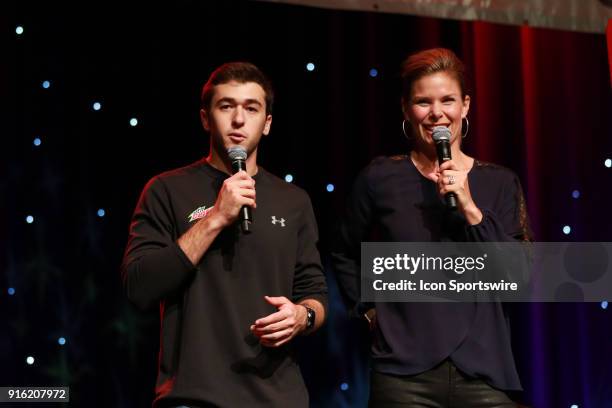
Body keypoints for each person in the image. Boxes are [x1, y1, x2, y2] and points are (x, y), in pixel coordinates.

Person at [331, 48, 531, 407]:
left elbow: (518, 277)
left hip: (484, 372)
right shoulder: (381, 177)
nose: (437, 113)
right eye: (423, 101)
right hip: (403, 376)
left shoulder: (500, 181)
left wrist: (470, 207)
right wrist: (369, 309)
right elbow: (344, 250)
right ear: (406, 109)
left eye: (447, 100)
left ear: (465, 106)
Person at [121, 62, 327, 408]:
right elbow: (139, 286)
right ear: (205, 118)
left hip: (279, 397)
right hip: (194, 396)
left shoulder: (294, 200)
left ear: (268, 124)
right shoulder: (166, 190)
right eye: (226, 106)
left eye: (251, 108)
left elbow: (315, 293)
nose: (238, 119)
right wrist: (216, 217)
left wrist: (301, 316)